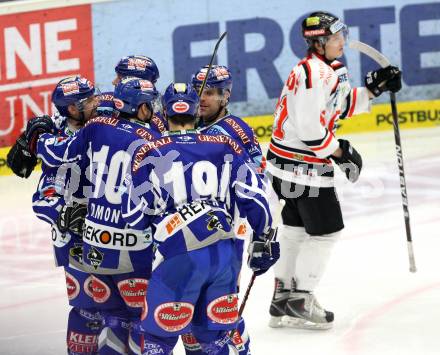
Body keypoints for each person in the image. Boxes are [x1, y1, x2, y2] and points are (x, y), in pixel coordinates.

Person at [266, 11, 402, 330]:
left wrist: (373, 89)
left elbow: (336, 107)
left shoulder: (327, 69)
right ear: (321, 42)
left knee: (296, 231)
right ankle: (300, 298)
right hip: (304, 169)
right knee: (326, 232)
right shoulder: (314, 74)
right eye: (338, 38)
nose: (343, 42)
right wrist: (340, 152)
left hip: (284, 166)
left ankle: (282, 297)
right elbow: (312, 132)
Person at [121, 82, 279, 355]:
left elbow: (133, 214)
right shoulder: (225, 144)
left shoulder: (148, 151)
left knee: (159, 339)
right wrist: (265, 238)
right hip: (224, 255)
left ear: (164, 111)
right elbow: (255, 196)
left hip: (177, 256)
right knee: (215, 340)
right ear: (195, 111)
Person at [27, 77, 162, 354]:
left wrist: (39, 140)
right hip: (125, 245)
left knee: (113, 318)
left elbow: (56, 152)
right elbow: (45, 196)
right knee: (122, 317)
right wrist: (63, 214)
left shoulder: (96, 127)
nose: (96, 101)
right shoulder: (151, 140)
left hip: (94, 243)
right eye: (88, 99)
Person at [7, 75, 101, 354]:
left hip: (112, 224)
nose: (96, 102)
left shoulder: (105, 121)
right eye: (89, 100)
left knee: (121, 307)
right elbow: (25, 172)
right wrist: (27, 139)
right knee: (87, 309)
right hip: (73, 234)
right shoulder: (53, 132)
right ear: (72, 109)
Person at [190, 64, 266, 354]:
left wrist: (261, 232)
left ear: (226, 95)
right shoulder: (190, 124)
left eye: (209, 93)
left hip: (228, 232)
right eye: (199, 93)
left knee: (220, 309)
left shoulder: (236, 130)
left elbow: (257, 182)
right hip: (192, 231)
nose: (203, 99)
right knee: (192, 307)